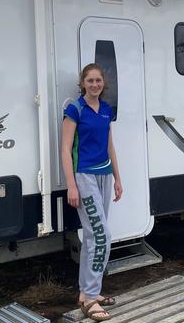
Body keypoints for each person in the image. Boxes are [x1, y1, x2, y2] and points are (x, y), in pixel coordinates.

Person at [61, 63, 123, 321]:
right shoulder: (75, 109)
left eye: (99, 81)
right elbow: (65, 150)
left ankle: (86, 293)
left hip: (104, 175)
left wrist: (118, 179)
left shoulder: (106, 110)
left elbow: (110, 147)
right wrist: (71, 185)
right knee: (101, 235)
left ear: (103, 83)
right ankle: (90, 296)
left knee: (91, 237)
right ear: (83, 83)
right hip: (84, 176)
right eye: (90, 81)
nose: (95, 85)